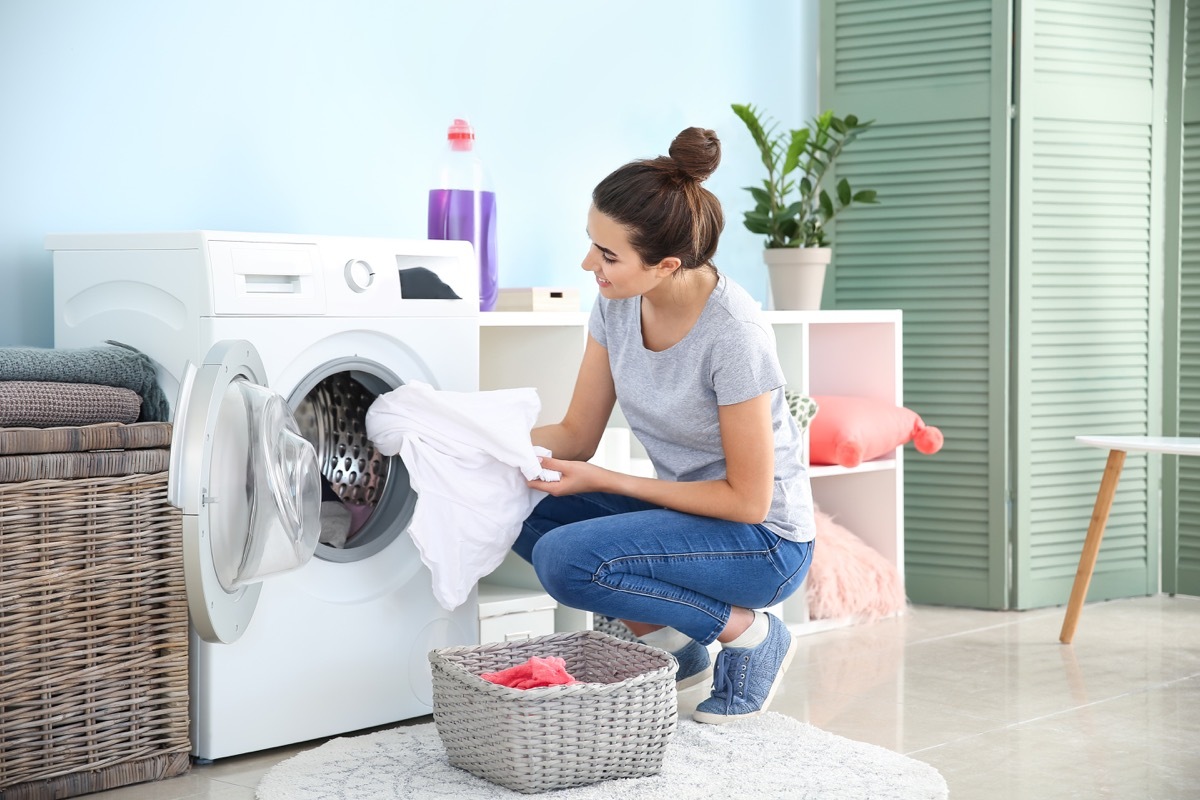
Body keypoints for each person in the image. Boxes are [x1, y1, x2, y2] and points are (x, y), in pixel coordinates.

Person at [512, 126, 815, 725]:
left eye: (607, 255)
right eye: (592, 244)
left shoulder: (734, 336)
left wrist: (609, 482)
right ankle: (678, 648)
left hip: (763, 542)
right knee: (513, 499)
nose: (587, 264)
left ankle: (751, 634)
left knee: (566, 561)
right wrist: (472, 440)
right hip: (691, 520)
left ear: (666, 265)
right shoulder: (616, 301)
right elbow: (575, 435)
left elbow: (749, 501)